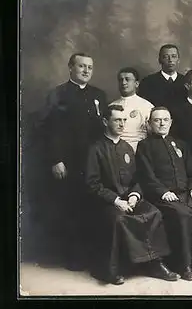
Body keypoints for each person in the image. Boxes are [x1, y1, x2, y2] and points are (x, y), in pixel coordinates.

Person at [85, 105, 178, 285]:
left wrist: (135, 195)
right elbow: (92, 184)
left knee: (154, 212)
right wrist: (116, 200)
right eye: (117, 120)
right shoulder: (95, 149)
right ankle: (110, 270)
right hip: (105, 202)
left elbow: (137, 178)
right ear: (105, 122)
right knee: (119, 219)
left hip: (130, 199)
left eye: (124, 120)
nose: (122, 124)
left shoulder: (127, 147)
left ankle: (154, 263)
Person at [136, 107, 192, 281]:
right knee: (182, 215)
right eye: (157, 120)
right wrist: (163, 192)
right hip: (161, 196)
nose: (162, 123)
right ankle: (184, 265)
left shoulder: (181, 144)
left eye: (165, 119)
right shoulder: (144, 146)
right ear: (150, 123)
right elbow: (146, 176)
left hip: (186, 193)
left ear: (171, 122)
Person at [42, 52, 107, 270]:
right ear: (70, 68)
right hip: (69, 161)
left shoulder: (99, 95)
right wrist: (56, 159)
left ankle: (90, 256)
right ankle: (69, 257)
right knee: (69, 208)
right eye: (81, 66)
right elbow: (50, 130)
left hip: (93, 162)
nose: (86, 71)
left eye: (90, 67)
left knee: (91, 207)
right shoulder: (58, 93)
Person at [108, 67, 154, 152]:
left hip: (139, 151)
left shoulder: (147, 106)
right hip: (115, 151)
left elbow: (152, 134)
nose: (123, 83)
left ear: (136, 84)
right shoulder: (111, 106)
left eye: (127, 79)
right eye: (120, 80)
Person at [138, 44, 186, 110]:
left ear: (178, 60)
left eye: (174, 56)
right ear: (159, 60)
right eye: (166, 57)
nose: (170, 60)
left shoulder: (186, 81)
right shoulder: (148, 82)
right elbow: (142, 106)